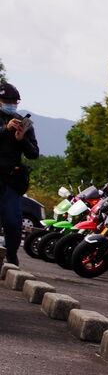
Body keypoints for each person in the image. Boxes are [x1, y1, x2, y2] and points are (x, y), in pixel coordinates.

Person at [0, 82, 39, 265]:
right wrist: (5, 130)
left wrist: (22, 139)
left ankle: (11, 255)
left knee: (13, 222)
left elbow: (34, 153)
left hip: (11, 181)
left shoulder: (24, 123)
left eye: (14, 101)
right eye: (7, 101)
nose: (11, 104)